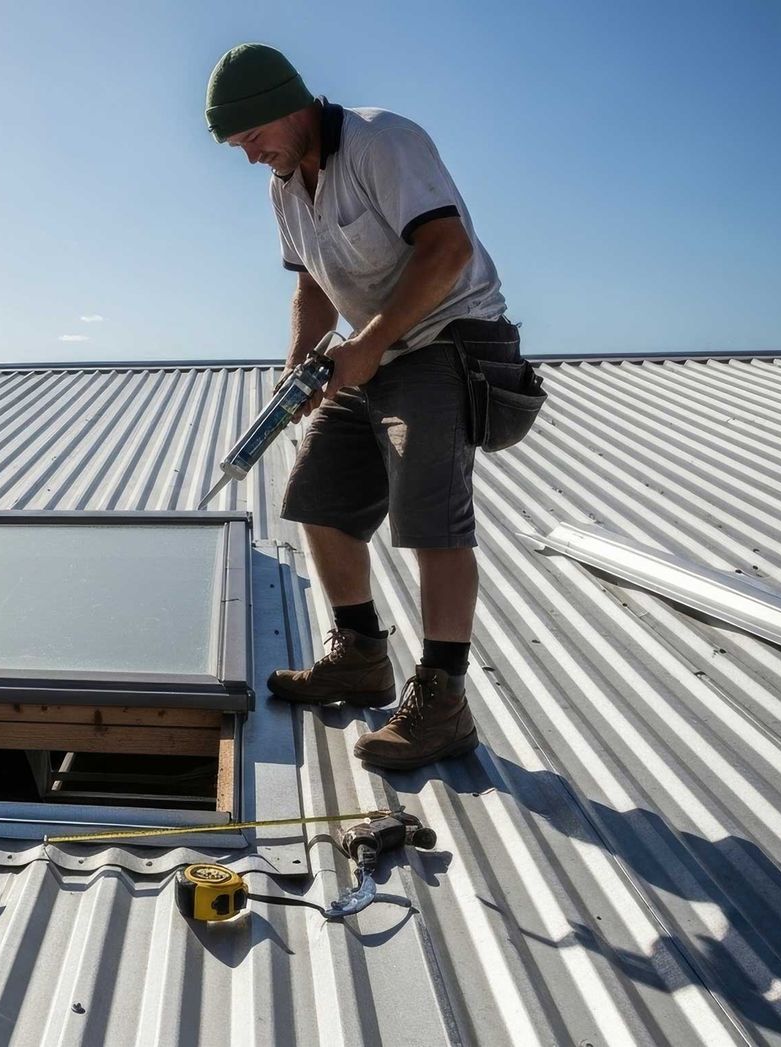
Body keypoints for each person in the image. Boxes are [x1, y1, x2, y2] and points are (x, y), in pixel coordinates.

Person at [206, 43, 519, 770]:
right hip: (371, 348)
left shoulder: (383, 140)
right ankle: (360, 656)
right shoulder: (286, 185)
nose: (250, 156)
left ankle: (443, 701)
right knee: (315, 496)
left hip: (449, 339)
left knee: (427, 509)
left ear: (290, 106)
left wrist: (372, 343)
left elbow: (447, 248)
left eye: (253, 137)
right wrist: (299, 363)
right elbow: (312, 284)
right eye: (237, 146)